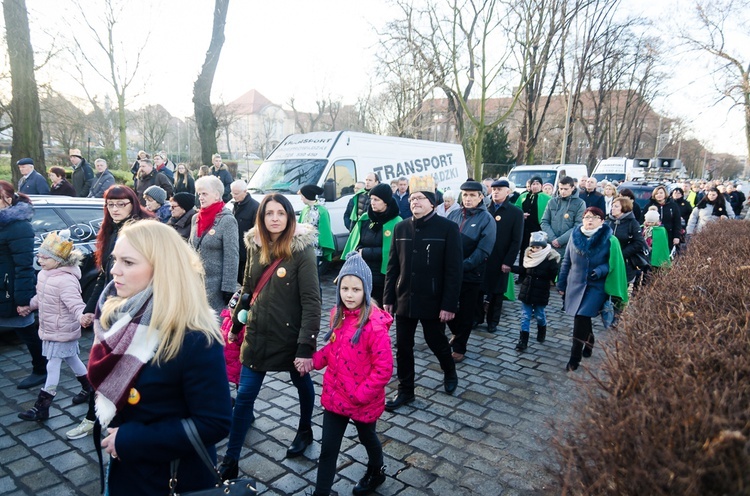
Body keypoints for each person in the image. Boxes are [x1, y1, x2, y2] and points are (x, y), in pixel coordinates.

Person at [89, 221, 232, 495]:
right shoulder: (118, 315)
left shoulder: (194, 336)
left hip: (167, 478)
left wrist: (131, 439)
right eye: (115, 259)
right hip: (123, 471)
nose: (114, 270)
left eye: (128, 262)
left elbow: (215, 422)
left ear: (163, 269)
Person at [218, 194, 321, 479]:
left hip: (291, 338)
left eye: (280, 213)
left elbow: (312, 301)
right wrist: (236, 327)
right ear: (261, 218)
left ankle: (305, 429)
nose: (274, 218)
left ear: (290, 217)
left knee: (301, 383)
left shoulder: (303, 251)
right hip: (258, 335)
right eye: (269, 213)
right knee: (245, 395)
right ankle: (231, 458)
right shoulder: (255, 246)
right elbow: (249, 289)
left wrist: (305, 347)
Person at [300, 253, 393, 496]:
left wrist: (361, 394)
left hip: (362, 400)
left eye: (356, 289)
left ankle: (376, 469)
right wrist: (314, 361)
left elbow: (383, 369)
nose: (349, 295)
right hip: (336, 395)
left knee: (367, 437)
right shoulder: (337, 315)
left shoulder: (374, 326)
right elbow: (333, 347)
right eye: (345, 288)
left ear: (366, 290)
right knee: (328, 449)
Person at [69, 186, 153, 441]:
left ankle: (124, 420)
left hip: (140, 308)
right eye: (111, 205)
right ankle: (94, 416)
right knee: (104, 361)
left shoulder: (144, 230)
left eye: (121, 204)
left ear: (133, 204)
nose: (115, 210)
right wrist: (90, 309)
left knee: (134, 367)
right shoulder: (109, 231)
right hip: (114, 305)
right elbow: (105, 276)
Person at [383, 176, 462, 411]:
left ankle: (449, 370)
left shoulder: (447, 228)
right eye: (411, 198)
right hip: (405, 298)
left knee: (436, 341)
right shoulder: (401, 227)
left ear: (432, 202)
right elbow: (393, 266)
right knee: (403, 347)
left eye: (419, 198)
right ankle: (405, 391)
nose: (414, 202)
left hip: (433, 298)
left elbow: (454, 270)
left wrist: (449, 304)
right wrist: (388, 297)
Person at [17, 231, 90, 421]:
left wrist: (82, 316)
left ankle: (42, 407)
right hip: (50, 328)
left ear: (58, 261)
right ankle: (89, 387)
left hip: (63, 329)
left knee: (53, 365)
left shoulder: (65, 280)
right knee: (72, 359)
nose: (40, 260)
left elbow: (75, 303)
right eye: (39, 256)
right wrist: (29, 306)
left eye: (44, 257)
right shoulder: (44, 274)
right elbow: (42, 298)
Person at [557, 207, 627, 371]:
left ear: (602, 221)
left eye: (594, 217)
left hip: (596, 286)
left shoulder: (610, 239)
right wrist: (561, 283)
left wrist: (600, 271)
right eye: (587, 217)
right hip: (575, 283)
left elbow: (613, 262)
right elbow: (566, 261)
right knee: (583, 317)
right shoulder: (574, 236)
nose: (590, 220)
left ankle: (574, 358)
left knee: (581, 317)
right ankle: (590, 340)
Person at [0, 181, 47, 390]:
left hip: (10, 291)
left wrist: (23, 300)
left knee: (26, 329)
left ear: (7, 199)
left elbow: (24, 266)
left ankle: (41, 369)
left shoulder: (19, 226)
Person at [446, 181, 496, 362]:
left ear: (481, 197)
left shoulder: (487, 219)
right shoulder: (454, 214)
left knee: (466, 311)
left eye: (472, 195)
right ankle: (457, 333)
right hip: (451, 272)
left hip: (471, 274)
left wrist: (463, 266)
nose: (468, 198)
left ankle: (460, 347)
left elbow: (483, 251)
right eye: (465, 195)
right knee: (447, 307)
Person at [342, 183, 402, 304]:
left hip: (383, 276)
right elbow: (355, 242)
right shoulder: (365, 218)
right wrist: (358, 250)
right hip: (362, 272)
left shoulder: (397, 222)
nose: (372, 202)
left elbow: (395, 251)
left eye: (376, 199)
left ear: (386, 202)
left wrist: (366, 252)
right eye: (371, 199)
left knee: (379, 314)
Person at [189, 176, 239, 319]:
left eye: (204, 194)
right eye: (199, 194)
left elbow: (232, 256)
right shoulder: (196, 218)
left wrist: (228, 288)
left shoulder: (227, 220)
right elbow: (190, 249)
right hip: (195, 284)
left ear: (217, 195)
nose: (200, 197)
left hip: (216, 287)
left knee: (214, 327)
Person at [483, 179, 524, 333]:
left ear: (508, 191)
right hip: (484, 257)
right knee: (479, 289)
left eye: (499, 189)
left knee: (497, 291)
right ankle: (477, 317)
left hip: (501, 258)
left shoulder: (515, 212)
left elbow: (516, 241)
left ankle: (492, 322)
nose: (496, 192)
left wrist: (508, 261)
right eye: (493, 189)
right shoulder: (485, 209)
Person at [510, 231, 560, 351]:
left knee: (539, 315)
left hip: (540, 291)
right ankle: (523, 341)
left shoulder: (550, 259)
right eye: (533, 247)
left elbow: (553, 274)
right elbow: (524, 270)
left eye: (537, 247)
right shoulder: (529, 257)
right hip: (527, 290)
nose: (535, 249)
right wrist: (511, 268)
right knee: (525, 316)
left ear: (543, 247)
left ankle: (542, 330)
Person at [298, 184, 335, 285]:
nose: (301, 199)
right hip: (303, 249)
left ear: (307, 196)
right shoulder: (305, 209)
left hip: (315, 251)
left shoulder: (322, 210)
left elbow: (325, 232)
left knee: (314, 280)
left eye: (302, 196)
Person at [607, 196, 648, 287]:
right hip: (608, 260)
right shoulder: (609, 222)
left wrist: (622, 253)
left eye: (616, 206)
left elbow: (638, 242)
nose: (613, 208)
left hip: (625, 261)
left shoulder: (632, 223)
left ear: (624, 208)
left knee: (621, 287)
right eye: (612, 206)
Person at [541, 176, 586, 257]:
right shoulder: (552, 202)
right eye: (561, 188)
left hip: (569, 245)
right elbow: (544, 221)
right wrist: (553, 239)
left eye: (566, 189)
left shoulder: (580, 203)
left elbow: (578, 225)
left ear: (572, 188)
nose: (562, 191)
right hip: (551, 244)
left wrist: (560, 240)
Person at [230, 180, 260, 283]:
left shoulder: (255, 207)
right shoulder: (235, 205)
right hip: (236, 249)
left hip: (247, 251)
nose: (234, 196)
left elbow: (257, 230)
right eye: (232, 193)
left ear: (245, 191)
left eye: (236, 193)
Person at [514, 175, 550, 260]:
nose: (535, 186)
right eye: (533, 184)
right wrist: (521, 215)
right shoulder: (523, 196)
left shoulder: (547, 198)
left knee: (536, 250)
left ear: (541, 186)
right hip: (524, 227)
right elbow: (516, 208)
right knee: (524, 249)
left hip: (538, 228)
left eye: (537, 184)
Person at [646, 185, 682, 249]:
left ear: (665, 194)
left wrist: (676, 236)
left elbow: (677, 222)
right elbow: (643, 221)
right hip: (653, 235)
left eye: (661, 193)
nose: (659, 195)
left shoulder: (673, 206)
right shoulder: (649, 206)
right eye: (657, 193)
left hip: (669, 235)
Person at [642, 207, 671, 271]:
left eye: (651, 222)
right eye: (648, 222)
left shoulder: (660, 230)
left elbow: (662, 245)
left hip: (654, 255)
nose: (648, 224)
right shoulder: (643, 228)